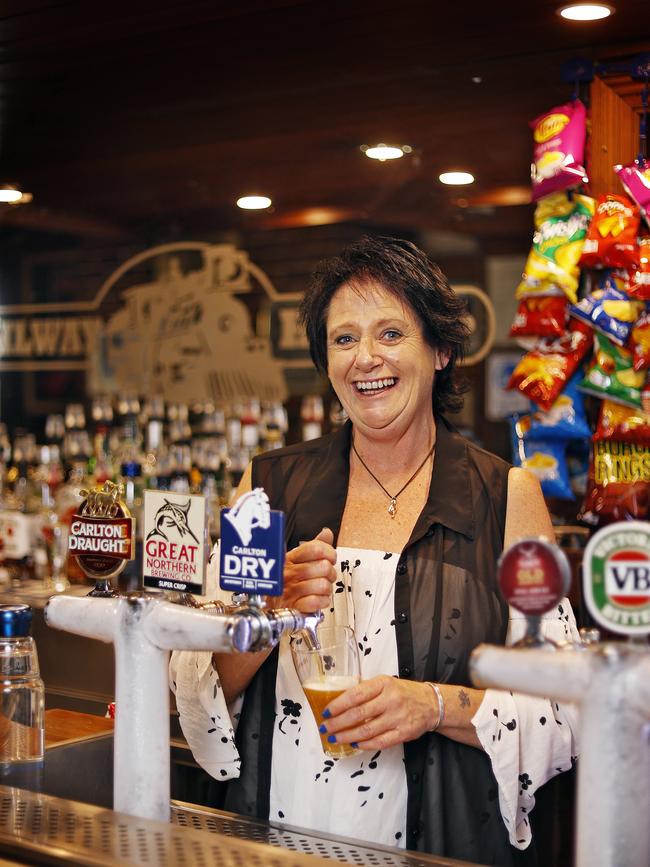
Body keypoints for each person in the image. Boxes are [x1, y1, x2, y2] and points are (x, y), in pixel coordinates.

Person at [171, 236, 579, 865]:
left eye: (390, 333)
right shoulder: (267, 487)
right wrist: (265, 611)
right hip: (283, 838)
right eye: (343, 339)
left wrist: (433, 705)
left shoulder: (505, 497)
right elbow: (199, 696)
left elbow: (564, 708)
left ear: (440, 349)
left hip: (445, 842)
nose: (365, 358)